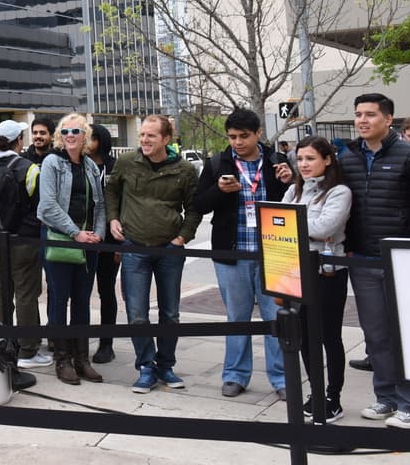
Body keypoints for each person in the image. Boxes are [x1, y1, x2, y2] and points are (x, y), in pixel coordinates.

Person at [340, 93, 410, 429]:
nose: (362, 120)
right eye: (357, 114)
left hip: (403, 261)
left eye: (370, 114)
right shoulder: (348, 158)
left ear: (388, 119)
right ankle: (386, 398)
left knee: (407, 335)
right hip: (364, 260)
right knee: (377, 335)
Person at [194, 108, 289, 399]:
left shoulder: (277, 161)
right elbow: (199, 204)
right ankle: (235, 375)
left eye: (243, 136)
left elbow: (296, 201)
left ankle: (283, 378)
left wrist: (290, 180)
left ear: (258, 134)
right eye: (232, 137)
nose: (237, 142)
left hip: (274, 253)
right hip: (233, 254)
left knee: (277, 318)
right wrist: (220, 191)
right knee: (237, 317)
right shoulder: (217, 163)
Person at [104, 114, 200, 394]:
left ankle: (166, 366)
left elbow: (193, 208)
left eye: (151, 136)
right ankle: (146, 366)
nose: (144, 140)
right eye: (142, 135)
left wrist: (182, 238)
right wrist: (113, 219)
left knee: (170, 314)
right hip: (134, 248)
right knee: (137, 314)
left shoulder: (184, 170)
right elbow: (111, 192)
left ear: (166, 139)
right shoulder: (125, 163)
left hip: (170, 250)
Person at [282, 135, 352, 423]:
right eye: (300, 159)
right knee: (305, 335)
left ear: (327, 159)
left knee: (328, 335)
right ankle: (316, 391)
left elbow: (326, 226)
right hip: (297, 268)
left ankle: (333, 398)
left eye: (310, 158)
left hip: (328, 271)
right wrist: (300, 224)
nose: (304, 164)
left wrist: (294, 223)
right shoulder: (293, 190)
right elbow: (278, 220)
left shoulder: (339, 192)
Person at [39, 113, 105, 385]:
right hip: (61, 239)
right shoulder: (52, 162)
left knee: (82, 301)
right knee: (59, 299)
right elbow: (47, 206)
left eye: (75, 131)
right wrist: (75, 232)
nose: (70, 136)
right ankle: (62, 360)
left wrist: (97, 235)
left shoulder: (90, 166)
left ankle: (82, 359)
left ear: (85, 135)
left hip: (88, 242)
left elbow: (100, 205)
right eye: (65, 132)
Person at [0, 119, 49, 369]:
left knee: (1, 290)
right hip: (22, 240)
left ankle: (3, 342)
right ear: (19, 140)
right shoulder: (28, 168)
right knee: (26, 294)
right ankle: (28, 349)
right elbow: (40, 205)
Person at [86, 123, 120, 364]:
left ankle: (106, 343)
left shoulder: (114, 167)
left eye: (91, 138)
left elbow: (122, 202)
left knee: (106, 290)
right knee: (81, 292)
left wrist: (120, 242)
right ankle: (78, 340)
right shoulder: (78, 165)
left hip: (109, 237)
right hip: (83, 236)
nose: (86, 142)